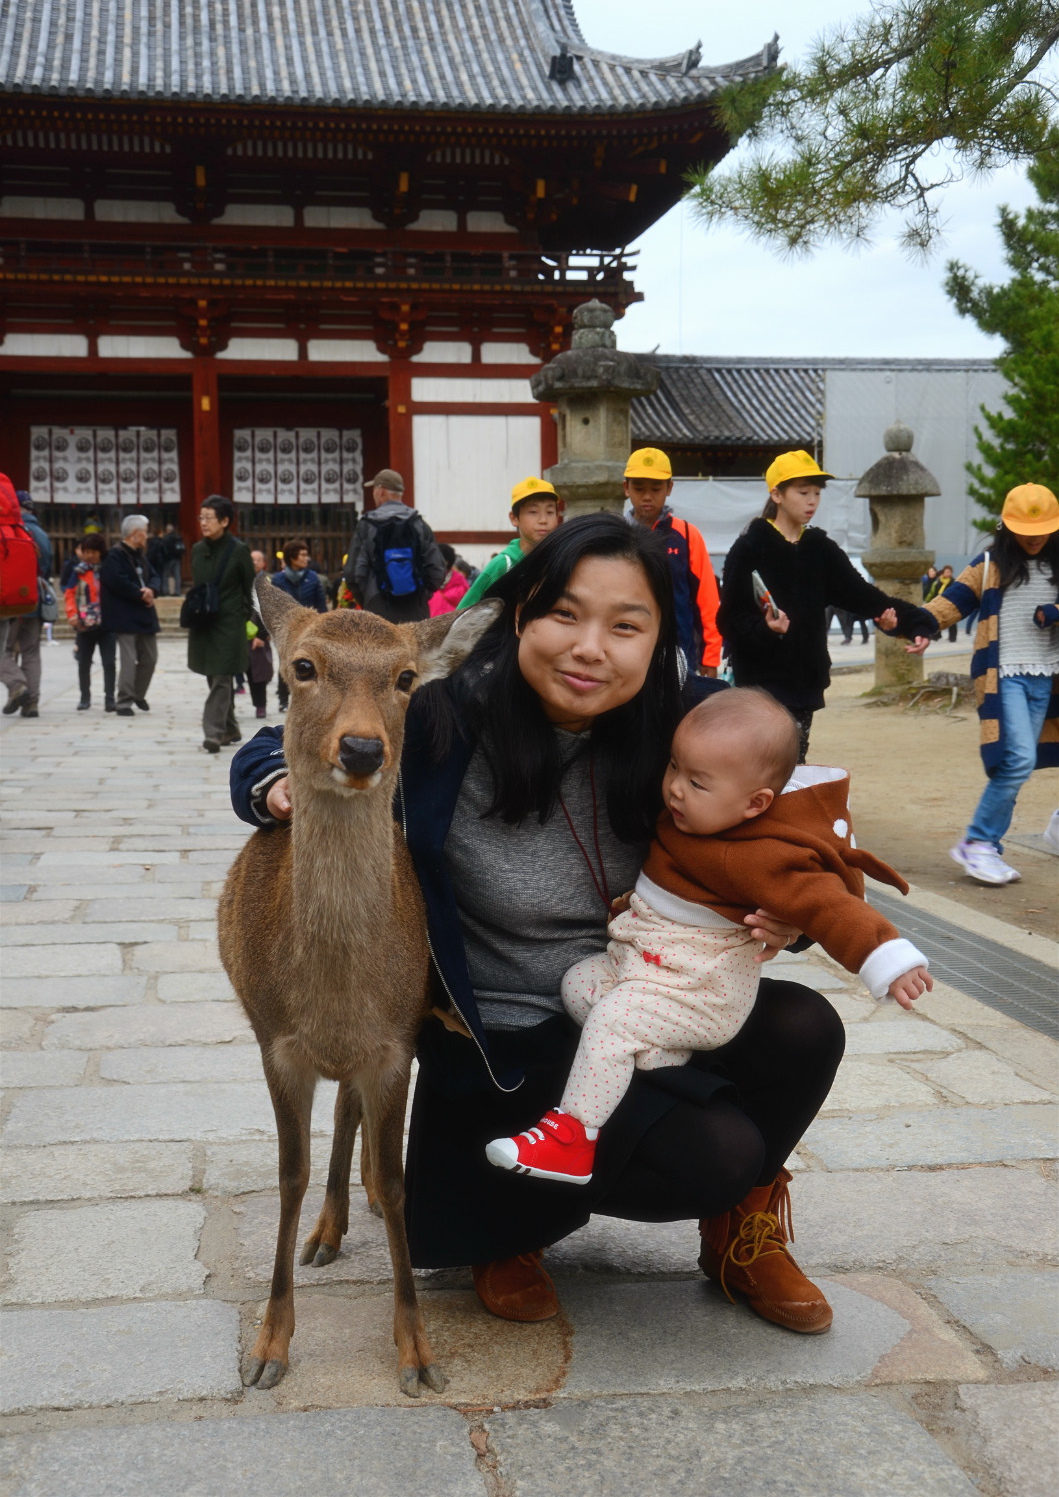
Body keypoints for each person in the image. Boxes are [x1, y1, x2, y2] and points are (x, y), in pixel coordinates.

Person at [231, 513, 845, 1337]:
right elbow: (294, 734)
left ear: (660, 635)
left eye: (625, 625)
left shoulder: (688, 724)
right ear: (518, 617)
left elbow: (794, 818)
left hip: (635, 993)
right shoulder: (443, 717)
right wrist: (270, 784)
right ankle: (512, 1228)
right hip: (508, 1039)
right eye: (565, 614)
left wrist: (792, 908)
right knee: (714, 1151)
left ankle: (740, 1227)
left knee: (807, 1026)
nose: (590, 647)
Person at [486, 687, 931, 1192]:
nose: (675, 788)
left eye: (696, 782)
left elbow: (828, 904)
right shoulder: (692, 818)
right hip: (641, 967)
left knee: (612, 1021)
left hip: (701, 992)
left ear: (755, 803)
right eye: (674, 767)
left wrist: (887, 959)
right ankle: (651, 1054)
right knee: (577, 983)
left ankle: (572, 1137)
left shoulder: (762, 854)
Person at [718, 450, 937, 761]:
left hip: (806, 681)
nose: (812, 501)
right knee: (764, 763)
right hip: (760, 680)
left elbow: (865, 596)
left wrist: (912, 623)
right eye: (803, 492)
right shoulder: (750, 547)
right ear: (777, 494)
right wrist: (764, 628)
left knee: (794, 762)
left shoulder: (821, 549)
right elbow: (727, 619)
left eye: (817, 493)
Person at [908, 483, 1059, 886]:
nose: (1034, 537)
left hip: (1046, 676)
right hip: (1003, 676)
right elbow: (953, 599)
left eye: (1042, 529)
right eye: (1026, 531)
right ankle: (977, 841)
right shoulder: (991, 564)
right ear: (1007, 528)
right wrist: (922, 625)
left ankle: (987, 846)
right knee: (1020, 761)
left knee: (1017, 765)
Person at [623, 448, 722, 681]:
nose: (647, 496)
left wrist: (710, 657)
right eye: (639, 488)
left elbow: (707, 600)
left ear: (669, 488)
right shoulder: (616, 534)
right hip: (626, 648)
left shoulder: (687, 535)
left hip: (680, 650)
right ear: (626, 488)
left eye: (656, 489)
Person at [188, 495, 255, 754]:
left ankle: (213, 733)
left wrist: (244, 616)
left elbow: (251, 587)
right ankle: (230, 728)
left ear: (225, 521)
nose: (203, 523)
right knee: (212, 674)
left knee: (222, 677)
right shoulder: (197, 550)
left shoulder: (239, 550)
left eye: (209, 518)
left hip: (229, 624)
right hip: (204, 621)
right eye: (201, 517)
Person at [342, 468, 445, 623]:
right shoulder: (418, 523)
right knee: (415, 647)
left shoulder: (367, 525)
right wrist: (423, 594)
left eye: (374, 490)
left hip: (377, 607)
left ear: (380, 491)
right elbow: (437, 568)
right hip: (416, 607)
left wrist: (368, 600)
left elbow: (354, 572)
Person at [458, 477, 560, 608]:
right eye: (533, 512)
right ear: (514, 518)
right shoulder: (503, 565)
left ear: (557, 517)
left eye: (550, 512)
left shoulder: (560, 560)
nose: (543, 520)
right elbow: (462, 613)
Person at [100, 514, 159, 718]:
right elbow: (117, 581)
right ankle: (124, 700)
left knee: (150, 658)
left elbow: (154, 576)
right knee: (128, 659)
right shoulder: (115, 555)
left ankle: (138, 694)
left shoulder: (140, 554)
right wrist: (140, 593)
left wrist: (151, 589)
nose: (147, 536)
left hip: (145, 613)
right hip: (125, 615)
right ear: (136, 534)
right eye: (145, 532)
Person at [0, 491, 53, 719]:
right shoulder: (39, 534)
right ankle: (31, 704)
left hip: (6, 602)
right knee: (31, 652)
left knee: (5, 650)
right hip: (32, 600)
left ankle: (17, 685)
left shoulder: (5, 530)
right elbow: (48, 565)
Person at [271, 538, 327, 712]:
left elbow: (321, 605)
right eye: (302, 554)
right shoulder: (278, 580)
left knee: (309, 665)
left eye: (306, 554)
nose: (306, 558)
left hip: (311, 630)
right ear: (292, 557)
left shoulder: (313, 578)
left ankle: (309, 697)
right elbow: (273, 606)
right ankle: (283, 698)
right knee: (286, 663)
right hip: (287, 631)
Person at [64, 533, 115, 712]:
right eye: (87, 552)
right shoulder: (78, 572)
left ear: (101, 552)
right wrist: (72, 613)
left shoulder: (109, 569)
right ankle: (84, 697)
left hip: (107, 622)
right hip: (85, 623)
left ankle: (110, 698)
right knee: (84, 662)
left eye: (94, 552)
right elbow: (70, 593)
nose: (91, 556)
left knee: (109, 662)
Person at [246, 550, 274, 720]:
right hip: (240, 633)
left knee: (259, 673)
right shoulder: (243, 578)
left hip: (257, 634)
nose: (255, 563)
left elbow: (267, 611)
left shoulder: (266, 581)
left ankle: (260, 705)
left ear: (263, 563)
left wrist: (262, 636)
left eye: (258, 560)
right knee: (244, 673)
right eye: (252, 560)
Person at [429, 544, 470, 616]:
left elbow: (468, 601)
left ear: (447, 561)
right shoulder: (427, 577)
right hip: (429, 623)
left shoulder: (459, 580)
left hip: (452, 622)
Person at [925, 565, 959, 642]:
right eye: (946, 572)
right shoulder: (939, 581)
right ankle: (936, 635)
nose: (948, 573)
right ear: (943, 573)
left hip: (950, 603)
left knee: (952, 621)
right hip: (940, 603)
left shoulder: (953, 582)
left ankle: (952, 637)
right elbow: (934, 592)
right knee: (938, 619)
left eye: (949, 572)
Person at [159, 523, 186, 596]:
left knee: (166, 575)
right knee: (177, 575)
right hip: (177, 558)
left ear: (167, 530)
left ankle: (166, 590)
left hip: (168, 559)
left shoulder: (166, 538)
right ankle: (177, 591)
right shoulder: (178, 537)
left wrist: (165, 557)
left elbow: (164, 549)